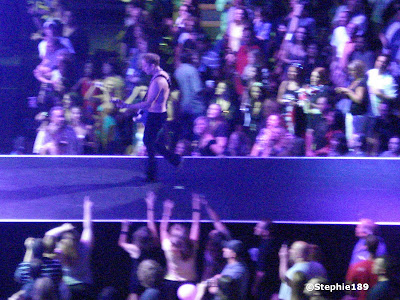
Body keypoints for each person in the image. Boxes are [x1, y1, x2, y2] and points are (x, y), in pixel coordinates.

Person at [117, 53, 180, 182]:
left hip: (156, 115)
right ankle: (173, 160)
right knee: (151, 142)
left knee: (149, 142)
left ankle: (155, 172)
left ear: (152, 65)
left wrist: (127, 105)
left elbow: (147, 103)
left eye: (145, 66)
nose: (143, 68)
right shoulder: (161, 75)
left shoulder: (158, 80)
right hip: (158, 114)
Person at [45, 196, 94, 299]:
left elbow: (48, 236)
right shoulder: (85, 247)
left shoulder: (60, 252)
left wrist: (63, 228)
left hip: (67, 289)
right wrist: (87, 208)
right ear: (76, 238)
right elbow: (88, 227)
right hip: (86, 287)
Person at [118, 191, 164, 300]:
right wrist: (150, 206)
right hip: (153, 277)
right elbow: (151, 224)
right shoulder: (155, 242)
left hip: (138, 278)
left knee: (134, 294)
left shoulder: (135, 249)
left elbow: (121, 243)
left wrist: (124, 228)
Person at [251, 220, 280, 300]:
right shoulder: (276, 244)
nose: (255, 228)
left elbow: (260, 272)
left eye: (258, 227)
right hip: (275, 286)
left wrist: (255, 286)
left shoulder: (264, 248)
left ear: (266, 232)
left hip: (265, 288)